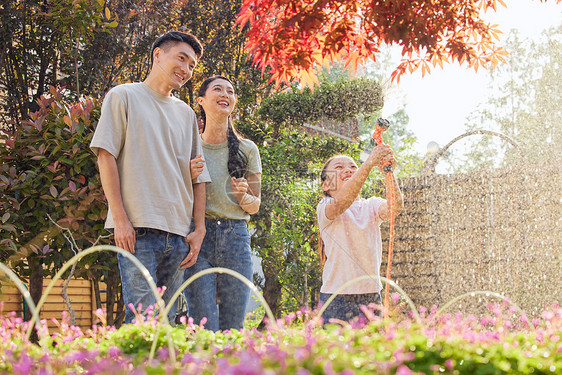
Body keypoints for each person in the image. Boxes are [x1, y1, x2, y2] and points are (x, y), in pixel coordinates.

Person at [90, 31, 211, 324]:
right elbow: (105, 156)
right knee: (145, 320)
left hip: (179, 234)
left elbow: (199, 176)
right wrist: (120, 219)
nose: (186, 69)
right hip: (138, 230)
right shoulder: (124, 96)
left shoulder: (185, 114)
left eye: (192, 65)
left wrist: (199, 228)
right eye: (181, 58)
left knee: (165, 325)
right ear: (157, 54)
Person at [184, 76, 262, 332]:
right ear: (202, 101)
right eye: (217, 89)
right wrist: (186, 174)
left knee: (233, 327)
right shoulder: (189, 145)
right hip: (198, 238)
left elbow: (254, 206)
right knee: (203, 325)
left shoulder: (247, 149)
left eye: (230, 91)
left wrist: (243, 197)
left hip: (236, 239)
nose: (225, 94)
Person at [317, 145, 404, 324]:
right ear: (326, 184)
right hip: (336, 298)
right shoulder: (325, 206)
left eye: (353, 166)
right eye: (339, 167)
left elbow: (395, 207)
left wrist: (388, 173)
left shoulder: (370, 205)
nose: (348, 169)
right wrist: (369, 163)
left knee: (372, 351)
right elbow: (342, 203)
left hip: (370, 295)